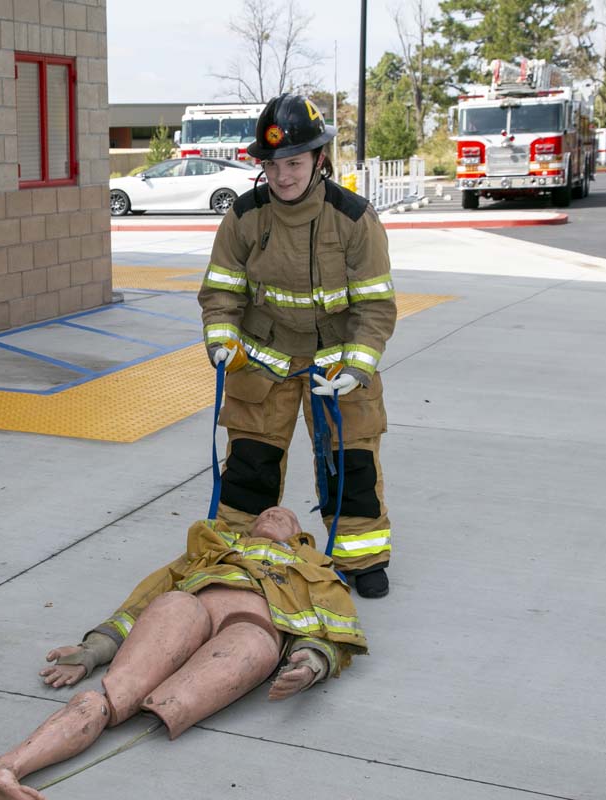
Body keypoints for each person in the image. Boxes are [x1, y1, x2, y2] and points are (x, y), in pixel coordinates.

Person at [0, 506, 366, 800]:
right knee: (113, 696)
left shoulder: (317, 567)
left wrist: (312, 660)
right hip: (188, 609)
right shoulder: (214, 544)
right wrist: (95, 648)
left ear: (299, 533)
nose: (273, 514)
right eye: (266, 512)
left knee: (202, 680)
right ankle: (3, 770)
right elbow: (149, 595)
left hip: (251, 631)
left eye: (285, 516)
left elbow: (335, 623)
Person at [198, 93, 397, 598]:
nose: (283, 176)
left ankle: (361, 556)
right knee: (249, 463)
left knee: (350, 462)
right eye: (272, 165)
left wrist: (359, 367)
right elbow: (221, 291)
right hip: (263, 363)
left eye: (293, 162)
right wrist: (220, 341)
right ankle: (237, 553)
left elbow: (375, 305)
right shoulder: (244, 217)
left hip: (337, 366)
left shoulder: (354, 218)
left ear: (318, 160)